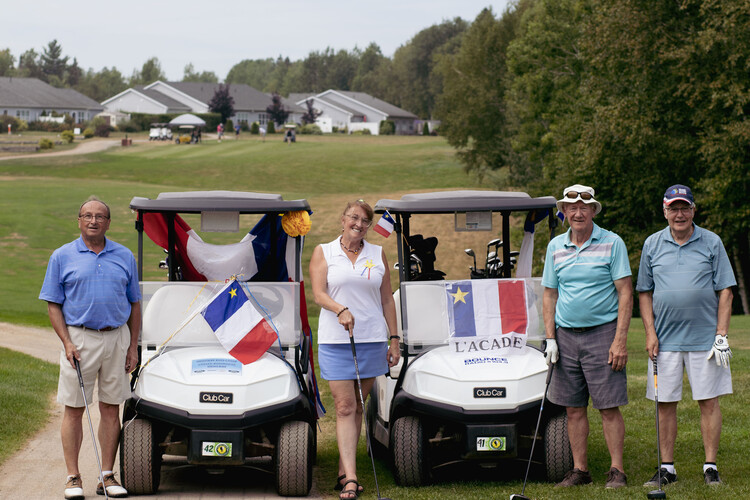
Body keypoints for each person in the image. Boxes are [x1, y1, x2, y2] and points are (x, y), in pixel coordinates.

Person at [39, 196, 141, 499]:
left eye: (99, 216)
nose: (93, 220)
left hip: (116, 338)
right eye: (87, 215)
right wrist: (67, 342)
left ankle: (107, 476)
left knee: (111, 409)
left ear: (108, 222)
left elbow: (135, 303)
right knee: (74, 409)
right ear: (79, 220)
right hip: (79, 339)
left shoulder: (124, 256)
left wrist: (132, 345)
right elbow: (53, 305)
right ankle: (73, 478)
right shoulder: (62, 256)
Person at [637, 184, 736, 487]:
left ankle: (710, 467)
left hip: (705, 341)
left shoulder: (712, 242)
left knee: (708, 402)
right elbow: (644, 292)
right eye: (673, 208)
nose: (679, 214)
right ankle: (667, 468)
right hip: (664, 341)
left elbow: (726, 290)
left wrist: (721, 334)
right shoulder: (652, 244)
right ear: (664, 211)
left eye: (685, 207)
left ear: (694, 210)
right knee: (665, 403)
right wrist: (650, 333)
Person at [541, 184, 632, 489]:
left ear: (594, 210)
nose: (578, 213)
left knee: (607, 406)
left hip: (603, 333)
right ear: (564, 212)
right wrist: (550, 338)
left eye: (584, 207)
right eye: (572, 208)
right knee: (573, 407)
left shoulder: (612, 242)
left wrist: (620, 340)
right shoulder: (555, 246)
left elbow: (625, 292)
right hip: (566, 336)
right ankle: (580, 470)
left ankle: (616, 470)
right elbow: (550, 294)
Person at [309, 200, 400, 500]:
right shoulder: (324, 251)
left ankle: (343, 468)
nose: (358, 224)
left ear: (369, 226)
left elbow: (387, 299)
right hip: (337, 341)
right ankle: (351, 479)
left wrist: (395, 339)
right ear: (343, 219)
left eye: (364, 221)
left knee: (359, 405)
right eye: (354, 218)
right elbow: (319, 293)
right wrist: (340, 308)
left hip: (372, 339)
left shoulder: (378, 254)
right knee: (345, 406)